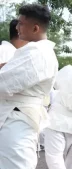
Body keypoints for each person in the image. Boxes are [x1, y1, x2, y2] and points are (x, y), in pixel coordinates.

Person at [0, 4, 58, 169]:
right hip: (17, 116)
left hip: (17, 119)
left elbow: (3, 84)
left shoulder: (36, 52)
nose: (17, 27)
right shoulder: (36, 51)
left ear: (35, 28)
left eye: (21, 23)